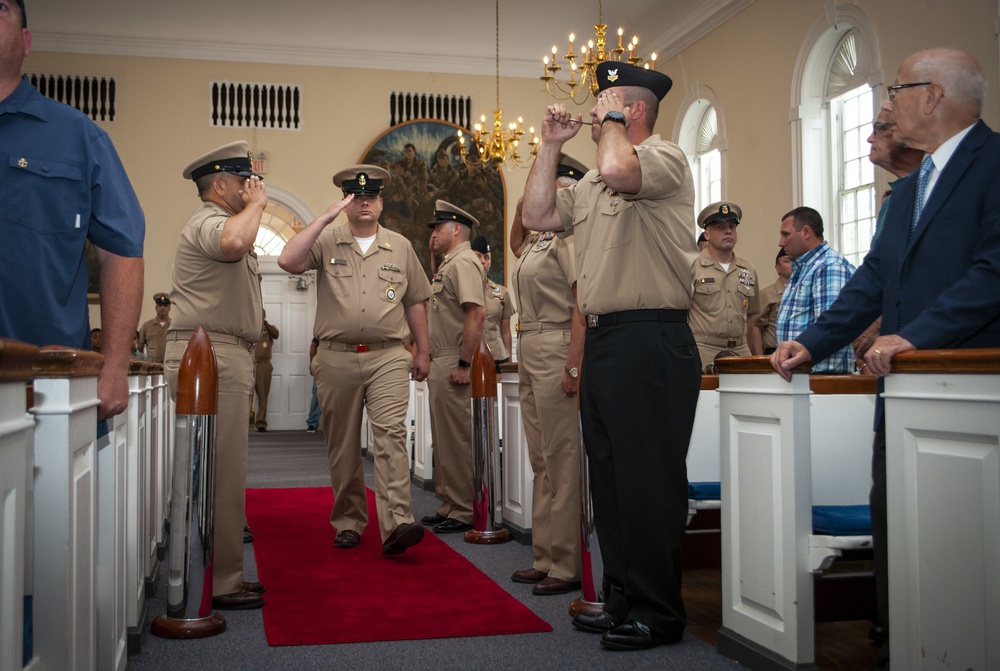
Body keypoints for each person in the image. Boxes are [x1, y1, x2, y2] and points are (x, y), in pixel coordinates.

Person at [771, 48, 1000, 668]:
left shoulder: (994, 163)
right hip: (900, 393)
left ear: (934, 96)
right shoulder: (907, 190)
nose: (888, 102)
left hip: (965, 389)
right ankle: (899, 631)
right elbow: (871, 282)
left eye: (898, 89)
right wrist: (811, 341)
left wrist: (915, 336)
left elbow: (991, 273)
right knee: (895, 515)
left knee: (959, 538)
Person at [521, 61, 701, 650]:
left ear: (633, 110)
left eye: (605, 102)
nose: (593, 111)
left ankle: (659, 611)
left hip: (652, 339)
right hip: (604, 340)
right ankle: (623, 599)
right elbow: (537, 215)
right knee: (613, 481)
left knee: (649, 482)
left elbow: (623, 166)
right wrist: (549, 147)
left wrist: (613, 123)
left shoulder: (663, 158)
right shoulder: (593, 186)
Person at [0, 0, 145, 422]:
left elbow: (122, 251)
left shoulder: (77, 137)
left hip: (44, 385)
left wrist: (115, 364)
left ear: (26, 41)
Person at [278, 164, 431, 556]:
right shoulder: (327, 241)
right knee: (342, 444)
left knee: (391, 435)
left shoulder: (400, 246)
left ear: (381, 203)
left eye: (371, 197)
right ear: (346, 203)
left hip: (389, 356)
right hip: (335, 357)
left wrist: (424, 349)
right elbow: (288, 261)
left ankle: (397, 522)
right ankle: (348, 521)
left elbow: (414, 301)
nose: (364, 202)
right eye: (356, 197)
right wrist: (325, 217)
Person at [164, 140, 268, 610]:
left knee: (223, 472)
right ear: (221, 185)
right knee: (219, 474)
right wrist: (261, 205)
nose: (253, 188)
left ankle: (221, 573)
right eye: (246, 182)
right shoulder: (212, 222)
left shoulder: (222, 220)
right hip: (211, 357)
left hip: (224, 356)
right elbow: (233, 243)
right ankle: (219, 581)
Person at [508, 156, 586, 596]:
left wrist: (574, 365)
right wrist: (529, 193)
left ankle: (568, 562)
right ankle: (544, 555)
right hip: (531, 345)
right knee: (541, 460)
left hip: (558, 346)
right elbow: (517, 238)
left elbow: (583, 306)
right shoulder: (540, 240)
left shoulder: (569, 239)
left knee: (562, 459)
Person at [419, 200, 485, 535]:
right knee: (444, 439)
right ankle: (449, 503)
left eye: (438, 227)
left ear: (455, 229)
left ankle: (462, 509)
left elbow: (476, 313)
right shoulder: (449, 263)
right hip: (440, 359)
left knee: (457, 438)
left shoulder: (464, 262)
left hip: (453, 359)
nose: (433, 232)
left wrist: (464, 362)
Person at [853, 103, 925, 372]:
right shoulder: (896, 199)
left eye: (879, 129)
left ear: (907, 135)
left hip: (919, 340)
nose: (870, 138)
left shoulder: (931, 191)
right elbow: (878, 272)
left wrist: (880, 323)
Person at [775, 206, 856, 373]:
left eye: (786, 234)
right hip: (801, 374)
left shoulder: (829, 267)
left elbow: (831, 328)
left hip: (822, 376)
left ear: (806, 232)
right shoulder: (803, 269)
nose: (781, 243)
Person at [689, 201, 762, 369]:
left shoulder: (748, 269)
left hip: (740, 350)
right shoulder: (692, 267)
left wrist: (749, 351)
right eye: (720, 227)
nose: (728, 231)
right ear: (707, 235)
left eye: (732, 226)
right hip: (704, 350)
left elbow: (750, 316)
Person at [470, 235, 513, 371]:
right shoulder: (461, 290)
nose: (483, 261)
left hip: (498, 357)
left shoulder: (502, 292)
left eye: (486, 257)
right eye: (478, 256)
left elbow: (505, 331)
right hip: (469, 357)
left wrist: (509, 364)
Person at [754, 248, 792, 354]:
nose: (792, 265)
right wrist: (759, 358)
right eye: (787, 261)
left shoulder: (803, 292)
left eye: (795, 261)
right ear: (778, 268)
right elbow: (757, 327)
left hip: (798, 350)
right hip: (774, 351)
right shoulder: (767, 294)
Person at [253, 311, 279, 432]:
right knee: (244, 395)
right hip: (250, 363)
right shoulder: (249, 325)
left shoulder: (269, 328)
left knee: (263, 396)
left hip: (264, 365)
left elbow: (276, 334)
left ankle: (261, 423)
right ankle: (242, 423)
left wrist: (264, 323)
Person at [138, 292, 172, 363]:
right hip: (152, 365)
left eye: (165, 305)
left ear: (169, 308)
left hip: (169, 363)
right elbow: (140, 347)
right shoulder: (146, 326)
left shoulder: (174, 326)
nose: (162, 307)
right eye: (160, 305)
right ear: (156, 308)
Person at [306, 337, 321, 432]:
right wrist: (312, 364)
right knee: (317, 395)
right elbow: (313, 346)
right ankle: (312, 423)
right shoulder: (321, 330)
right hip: (321, 367)